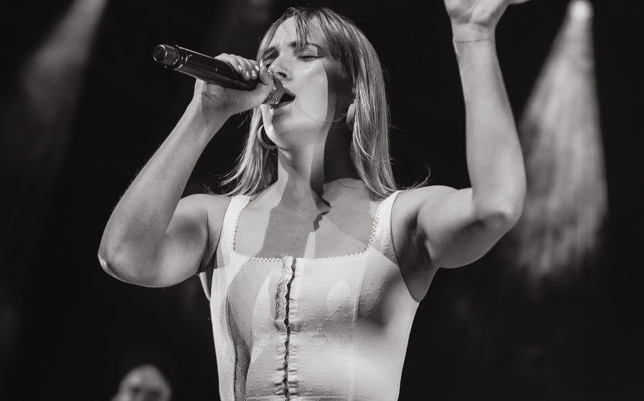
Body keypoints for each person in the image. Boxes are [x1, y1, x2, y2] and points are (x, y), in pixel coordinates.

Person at [99, 2, 527, 400]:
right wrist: (205, 112)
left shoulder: (401, 221)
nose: (275, 70)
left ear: (354, 91)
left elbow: (496, 208)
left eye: (304, 55)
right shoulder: (216, 222)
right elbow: (123, 256)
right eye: (268, 59)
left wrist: (473, 35)